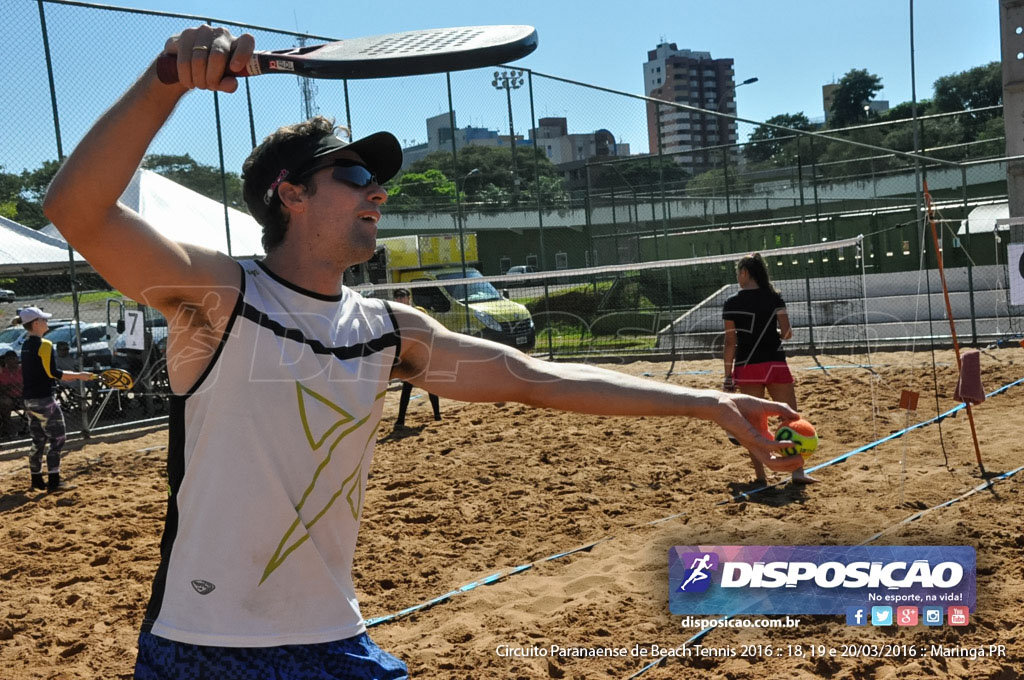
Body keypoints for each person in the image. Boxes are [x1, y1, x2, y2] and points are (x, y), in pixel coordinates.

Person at [43, 25, 803, 679]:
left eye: (379, 180)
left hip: (334, 639)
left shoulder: (387, 328)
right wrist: (166, 81)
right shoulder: (220, 296)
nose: (378, 192)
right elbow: (76, 209)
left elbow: (532, 377)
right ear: (290, 193)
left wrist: (707, 401)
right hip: (204, 646)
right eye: (356, 175)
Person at [722, 253, 818, 485]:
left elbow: (730, 343)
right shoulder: (774, 297)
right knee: (791, 417)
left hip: (748, 366)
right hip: (774, 363)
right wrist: (771, 334)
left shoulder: (731, 303)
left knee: (754, 424)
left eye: (738, 272)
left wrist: (727, 375)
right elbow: (786, 334)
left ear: (745, 273)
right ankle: (797, 473)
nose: (737, 276)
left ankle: (761, 477)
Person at [18, 307, 96, 491]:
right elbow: (53, 373)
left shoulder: (25, 344)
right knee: (58, 439)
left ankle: (36, 479)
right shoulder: (44, 344)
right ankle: (54, 481)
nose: (47, 323)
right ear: (36, 324)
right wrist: (80, 375)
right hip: (44, 400)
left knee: (38, 440)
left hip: (29, 400)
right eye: (44, 320)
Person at [392, 288, 441, 428]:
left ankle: (437, 416)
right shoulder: (394, 315)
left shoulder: (419, 311)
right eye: (398, 297)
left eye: (403, 296)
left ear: (409, 298)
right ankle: (400, 419)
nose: (401, 299)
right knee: (407, 387)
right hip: (408, 355)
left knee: (430, 384)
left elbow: (429, 328)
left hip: (422, 352)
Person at [0, 350, 22, 438]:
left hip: (23, 396)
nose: (10, 361)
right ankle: (8, 429)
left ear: (17, 359)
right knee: (5, 402)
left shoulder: (22, 370)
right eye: (8, 359)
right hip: (8, 397)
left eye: (12, 359)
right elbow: (2, 388)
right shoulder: (2, 372)